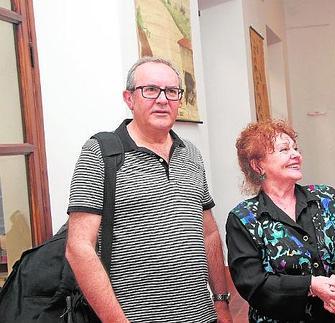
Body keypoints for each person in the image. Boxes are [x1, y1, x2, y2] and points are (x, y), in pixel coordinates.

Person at [66, 57, 232, 323]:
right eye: (150, 90)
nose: (163, 99)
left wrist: (221, 303)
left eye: (171, 92)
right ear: (129, 98)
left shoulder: (191, 154)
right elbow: (78, 247)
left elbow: (209, 233)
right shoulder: (101, 152)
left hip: (202, 316)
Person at [226, 120, 335, 322]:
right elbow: (252, 283)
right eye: (284, 150)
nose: (296, 155)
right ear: (258, 165)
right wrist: (310, 286)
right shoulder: (243, 218)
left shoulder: (327, 199)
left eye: (296, 148)